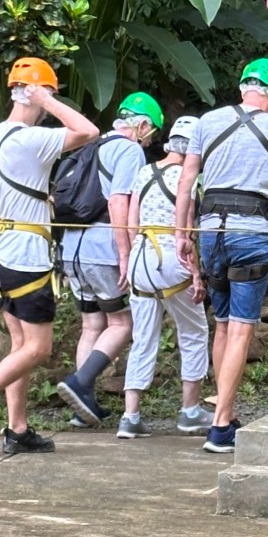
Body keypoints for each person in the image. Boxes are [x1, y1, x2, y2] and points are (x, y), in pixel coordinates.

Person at [0, 57, 99, 456]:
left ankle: (17, 430)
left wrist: (22, 198)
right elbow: (88, 131)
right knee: (38, 348)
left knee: (20, 344)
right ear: (37, 93)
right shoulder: (32, 139)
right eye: (49, 92)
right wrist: (48, 101)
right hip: (26, 256)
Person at [176, 58, 268, 454]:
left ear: (244, 87)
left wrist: (182, 234)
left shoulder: (206, 122)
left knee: (223, 325)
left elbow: (186, 183)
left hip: (211, 233)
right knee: (242, 329)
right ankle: (219, 426)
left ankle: (223, 414)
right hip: (252, 234)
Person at [55, 91, 164, 427]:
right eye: (152, 133)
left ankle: (82, 406)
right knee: (121, 323)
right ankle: (81, 383)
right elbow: (118, 202)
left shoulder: (91, 144)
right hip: (102, 248)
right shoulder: (129, 150)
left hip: (72, 248)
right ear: (142, 125)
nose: (150, 141)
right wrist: (125, 254)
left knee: (91, 324)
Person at [117, 115, 211, 439]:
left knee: (143, 336)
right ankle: (190, 410)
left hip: (141, 256)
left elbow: (131, 224)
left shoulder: (145, 171)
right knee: (194, 330)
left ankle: (130, 416)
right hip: (171, 256)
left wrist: (132, 259)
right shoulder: (188, 178)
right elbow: (186, 229)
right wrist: (196, 273)